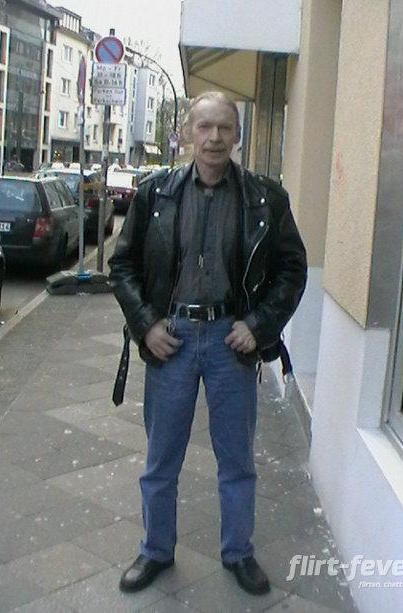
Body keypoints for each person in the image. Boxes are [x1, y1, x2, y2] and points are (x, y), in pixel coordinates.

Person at [108, 91, 307, 596]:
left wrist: (259, 326)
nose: (214, 137)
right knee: (161, 459)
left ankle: (239, 552)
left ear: (237, 135)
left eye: (224, 128)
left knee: (237, 459)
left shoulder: (266, 198)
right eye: (204, 127)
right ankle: (155, 550)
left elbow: (291, 269)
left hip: (230, 341)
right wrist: (146, 325)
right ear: (187, 134)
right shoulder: (155, 194)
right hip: (170, 337)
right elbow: (122, 265)